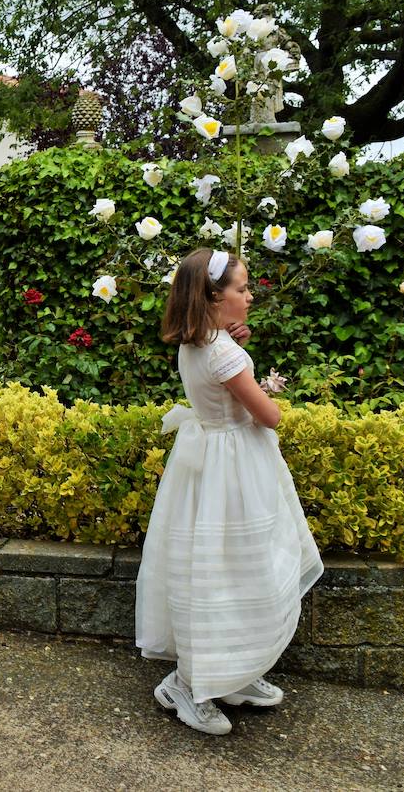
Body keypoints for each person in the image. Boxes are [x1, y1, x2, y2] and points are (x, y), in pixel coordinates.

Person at [137, 248, 322, 736]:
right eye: (241, 289)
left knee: (222, 568)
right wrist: (248, 365)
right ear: (214, 298)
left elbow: (219, 376)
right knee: (241, 568)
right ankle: (187, 683)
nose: (250, 294)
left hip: (211, 464)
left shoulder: (198, 343)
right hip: (236, 468)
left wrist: (237, 344)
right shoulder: (223, 352)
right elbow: (269, 415)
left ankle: (232, 673)